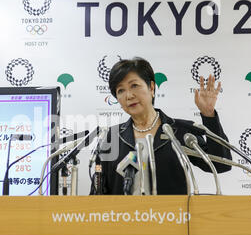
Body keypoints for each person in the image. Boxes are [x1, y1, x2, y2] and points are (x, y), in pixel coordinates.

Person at [93, 57, 232, 195]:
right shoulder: (112, 137)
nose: (128, 95)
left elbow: (221, 164)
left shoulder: (178, 131)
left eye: (134, 85)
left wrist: (209, 116)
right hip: (123, 216)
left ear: (151, 87)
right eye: (120, 91)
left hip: (171, 215)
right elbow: (99, 191)